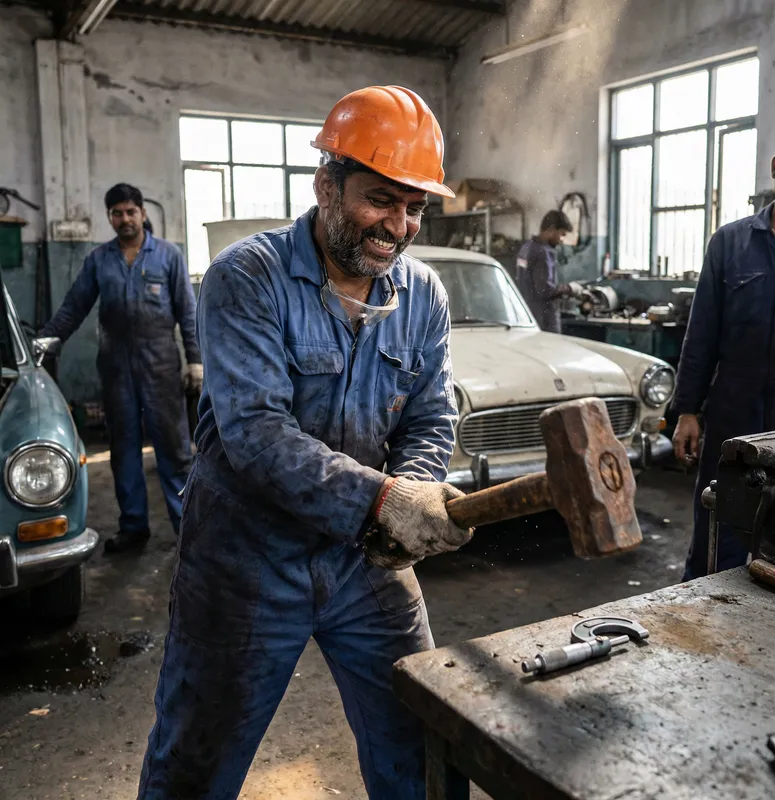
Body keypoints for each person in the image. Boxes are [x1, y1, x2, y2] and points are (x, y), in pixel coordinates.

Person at [136, 86, 473, 800]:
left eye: (415, 207)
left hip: (364, 563)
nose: (400, 225)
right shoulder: (246, 277)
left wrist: (408, 495)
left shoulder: (426, 297)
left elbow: (428, 419)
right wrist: (382, 498)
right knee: (193, 767)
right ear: (326, 183)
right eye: (381, 199)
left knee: (422, 751)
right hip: (245, 560)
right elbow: (256, 435)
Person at [41, 183, 202, 553]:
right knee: (124, 449)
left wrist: (195, 359)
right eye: (117, 213)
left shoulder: (168, 256)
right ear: (109, 217)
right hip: (115, 369)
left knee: (175, 451)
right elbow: (74, 307)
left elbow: (187, 312)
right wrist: (48, 341)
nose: (125, 219)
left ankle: (188, 529)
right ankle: (133, 527)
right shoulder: (99, 260)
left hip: (160, 365)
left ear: (143, 213)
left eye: (131, 211)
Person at [672, 116, 775, 580]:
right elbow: (701, 334)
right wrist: (688, 410)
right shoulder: (730, 243)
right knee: (716, 544)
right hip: (732, 427)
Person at [515, 209, 582, 332]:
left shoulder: (526, 247)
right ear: (551, 229)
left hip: (526, 316)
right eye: (562, 234)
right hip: (544, 319)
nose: (562, 240)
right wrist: (570, 289)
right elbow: (546, 290)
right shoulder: (544, 253)